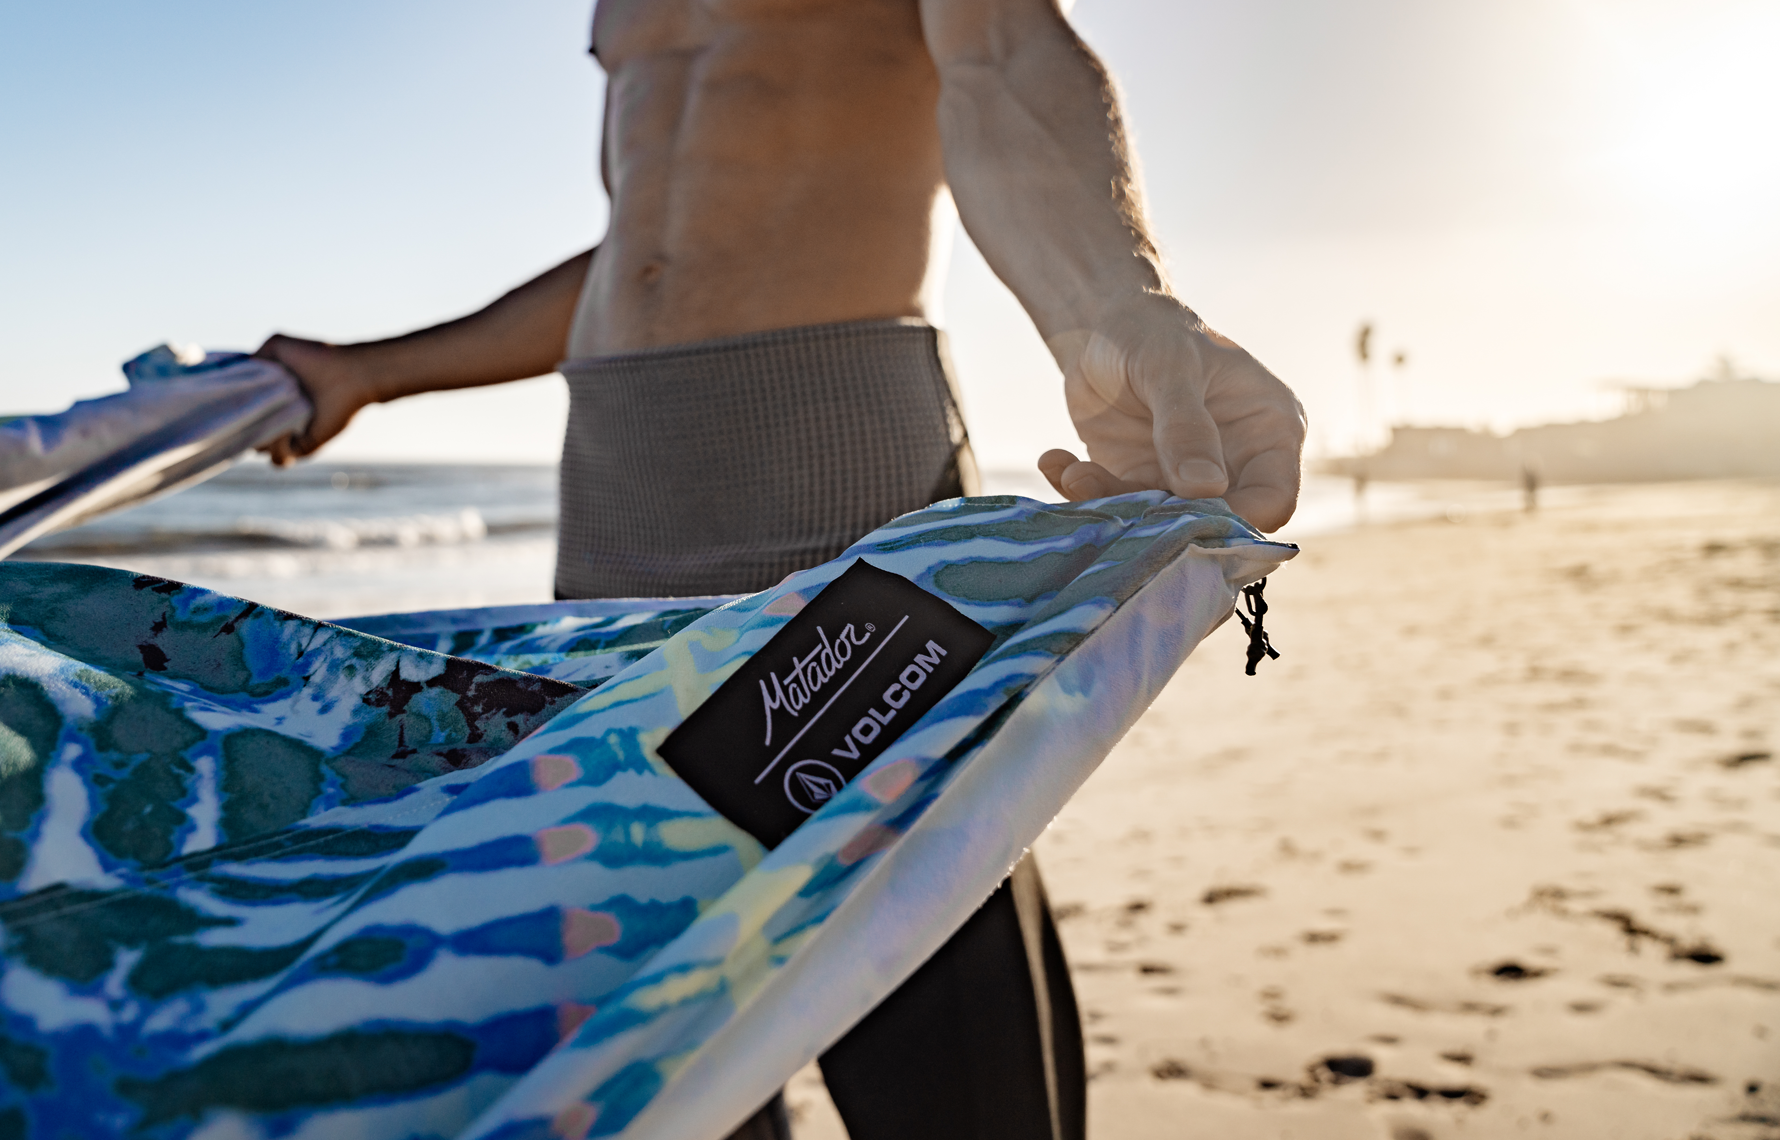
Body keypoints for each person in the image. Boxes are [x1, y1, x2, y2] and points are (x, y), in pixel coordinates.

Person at [256, 1, 1306, 1136]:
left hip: (840, 481)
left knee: (934, 1020)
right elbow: (648, 248)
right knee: (645, 1016)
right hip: (618, 502)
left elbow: (1000, 55)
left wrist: (1115, 302)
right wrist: (370, 371)